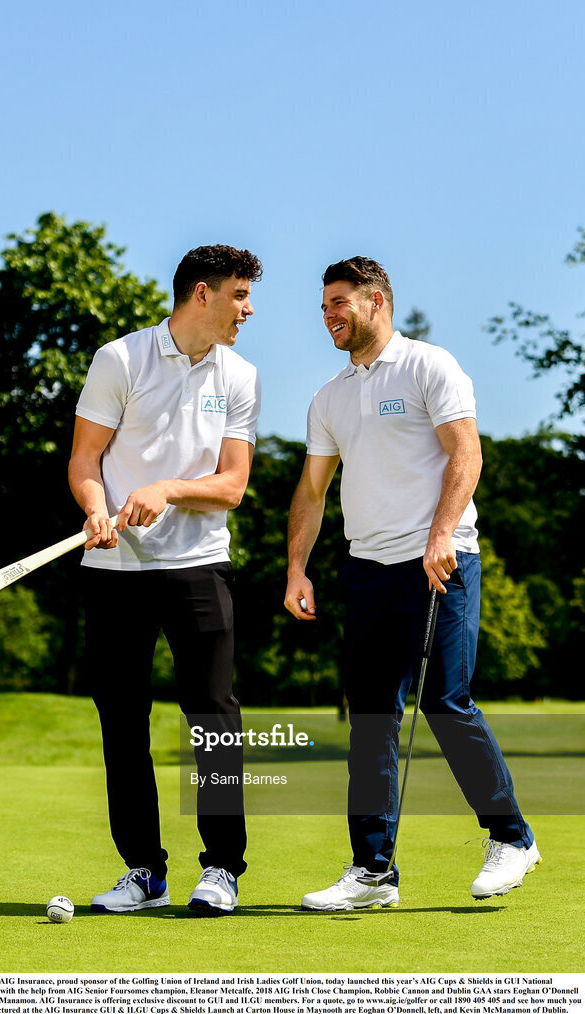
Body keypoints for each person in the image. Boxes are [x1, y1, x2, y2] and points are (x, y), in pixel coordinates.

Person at [284, 256, 540, 909]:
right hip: (367, 571)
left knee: (445, 703)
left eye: (338, 302)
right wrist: (296, 568)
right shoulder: (330, 397)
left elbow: (467, 452)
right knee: (371, 721)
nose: (328, 316)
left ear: (375, 300)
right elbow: (311, 492)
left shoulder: (430, 366)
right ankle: (372, 872)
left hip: (440, 561)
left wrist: (438, 534)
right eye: (322, 307)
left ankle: (512, 838)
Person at [69, 244, 262, 916]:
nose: (248, 309)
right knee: (122, 722)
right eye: (239, 295)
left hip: (197, 565)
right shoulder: (119, 360)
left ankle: (222, 870)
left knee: (213, 716)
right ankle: (145, 871)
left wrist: (169, 489)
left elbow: (233, 485)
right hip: (115, 568)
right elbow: (85, 460)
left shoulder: (240, 375)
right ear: (201, 295)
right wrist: (97, 510)